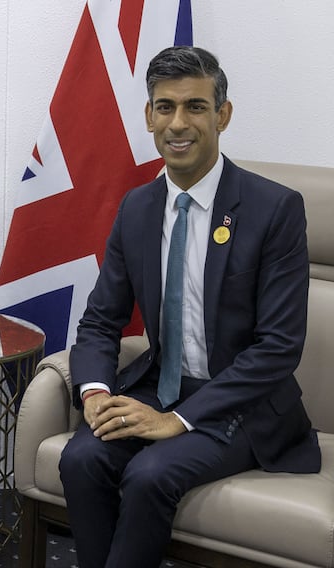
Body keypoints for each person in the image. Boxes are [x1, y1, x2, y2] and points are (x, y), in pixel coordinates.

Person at [59, 45, 321, 568]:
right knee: (82, 456)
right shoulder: (137, 207)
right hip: (160, 386)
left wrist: (176, 420)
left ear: (222, 115)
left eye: (195, 106)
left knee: (150, 473)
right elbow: (100, 321)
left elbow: (278, 348)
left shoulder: (275, 209)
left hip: (241, 405)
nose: (178, 123)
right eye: (164, 107)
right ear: (149, 116)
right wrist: (93, 393)